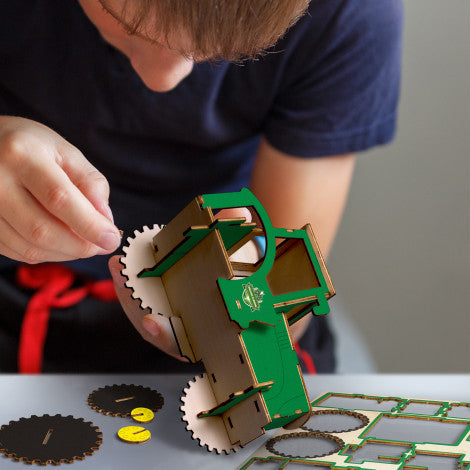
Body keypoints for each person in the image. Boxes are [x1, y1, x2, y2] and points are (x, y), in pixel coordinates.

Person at [0, 0, 403, 373]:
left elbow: (282, 300)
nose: (162, 81)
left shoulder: (350, 11)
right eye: (128, 27)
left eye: (217, 53)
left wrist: (246, 319)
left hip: (218, 319)